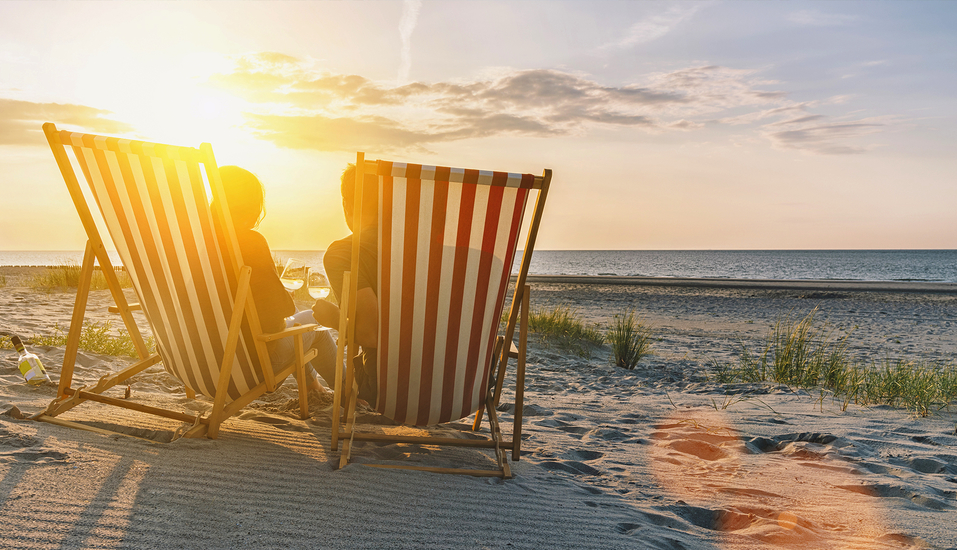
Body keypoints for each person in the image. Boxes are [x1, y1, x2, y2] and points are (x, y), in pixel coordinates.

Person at [212, 165, 337, 393]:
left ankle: (313, 388)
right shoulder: (249, 243)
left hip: (200, 363)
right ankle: (348, 393)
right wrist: (283, 298)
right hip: (245, 370)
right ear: (252, 206)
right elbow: (275, 321)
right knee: (311, 323)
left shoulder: (192, 245)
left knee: (299, 325)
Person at [311, 163, 380, 406]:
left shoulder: (344, 253)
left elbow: (372, 334)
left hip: (386, 386)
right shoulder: (436, 250)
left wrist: (335, 319)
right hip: (468, 389)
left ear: (346, 205)